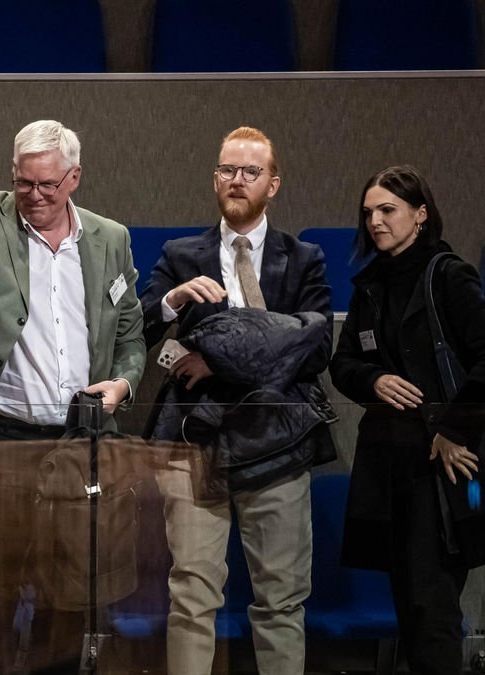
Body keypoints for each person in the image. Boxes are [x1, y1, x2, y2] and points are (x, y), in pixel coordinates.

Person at [0, 122, 145, 673]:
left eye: (47, 185)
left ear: (74, 179)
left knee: (69, 595)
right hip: (0, 438)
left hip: (79, 442)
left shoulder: (110, 238)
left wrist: (122, 383)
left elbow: (131, 334)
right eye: (24, 184)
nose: (35, 197)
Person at [139, 126, 333, 675]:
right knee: (192, 597)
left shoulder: (304, 258)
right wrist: (174, 303)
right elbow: (142, 335)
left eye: (251, 172)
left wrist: (220, 359)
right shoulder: (180, 255)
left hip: (277, 443)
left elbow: (316, 347)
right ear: (215, 179)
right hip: (194, 445)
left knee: (280, 600)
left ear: (273, 184)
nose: (237, 180)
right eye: (227, 170)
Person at [329, 165, 485, 674]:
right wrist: (373, 381)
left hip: (439, 471)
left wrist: (451, 430)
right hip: (388, 467)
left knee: (432, 611)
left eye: (388, 210)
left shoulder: (448, 274)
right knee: (408, 609)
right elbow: (344, 363)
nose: (375, 220)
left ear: (420, 215)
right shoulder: (372, 282)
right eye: (368, 212)